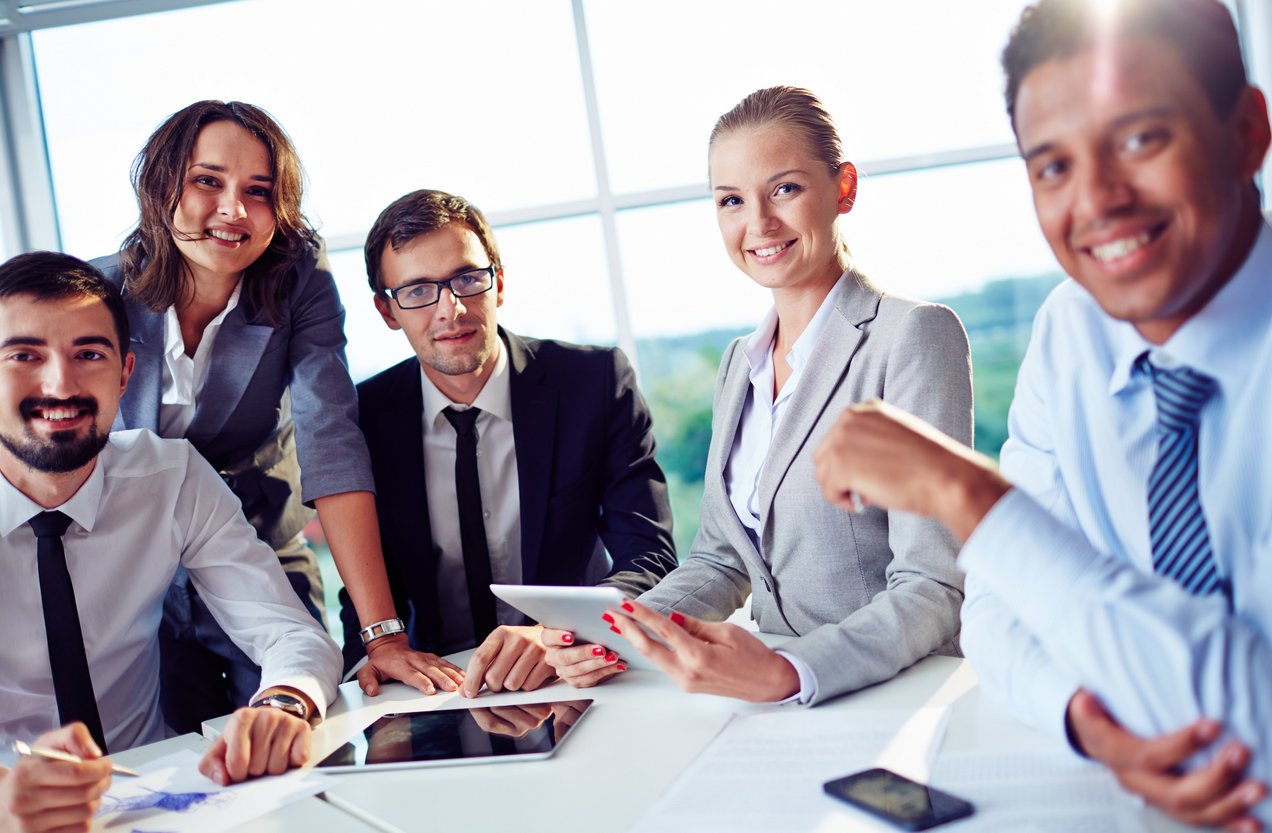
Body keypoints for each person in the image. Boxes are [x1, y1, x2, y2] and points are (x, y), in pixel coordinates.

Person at [811, 0, 1272, 828]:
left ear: (1247, 131)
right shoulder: (1072, 328)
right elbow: (996, 608)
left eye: (1139, 138)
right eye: (1052, 165)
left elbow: (1253, 738)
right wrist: (1089, 719)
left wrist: (971, 498)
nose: (1097, 199)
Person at [546, 86, 972, 705]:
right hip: (763, 697)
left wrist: (793, 670)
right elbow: (722, 560)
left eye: (786, 189)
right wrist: (617, 634)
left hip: (889, 693)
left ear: (843, 188)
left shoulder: (910, 335)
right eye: (731, 201)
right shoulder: (737, 364)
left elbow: (932, 585)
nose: (759, 224)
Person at [93, 101, 446, 732]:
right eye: (208, 181)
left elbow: (329, 440)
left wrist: (382, 636)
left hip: (259, 546)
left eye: (258, 192)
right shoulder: (98, 296)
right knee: (169, 761)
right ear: (160, 185)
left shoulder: (297, 281)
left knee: (304, 726)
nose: (233, 211)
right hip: (134, 568)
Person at [0, 253, 342, 832]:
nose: (60, 384)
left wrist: (282, 703)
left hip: (158, 799)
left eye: (89, 354)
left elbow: (286, 630)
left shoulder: (170, 476)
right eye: (25, 356)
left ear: (126, 372)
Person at [348, 188, 677, 698]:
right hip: (434, 684)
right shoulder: (365, 418)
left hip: (572, 671)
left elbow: (651, 558)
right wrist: (368, 663)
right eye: (417, 291)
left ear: (498, 283)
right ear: (387, 311)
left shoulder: (593, 383)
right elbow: (363, 579)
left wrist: (560, 635)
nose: (450, 310)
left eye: (467, 279)